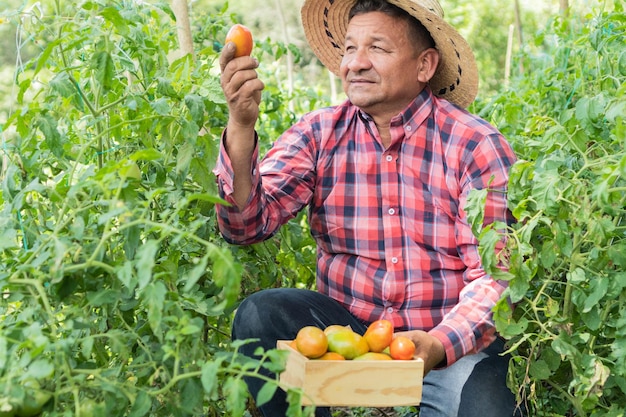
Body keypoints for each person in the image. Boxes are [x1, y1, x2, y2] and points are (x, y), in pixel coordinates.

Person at [215, 0, 522, 416]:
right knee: (259, 316)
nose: (355, 64)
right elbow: (245, 226)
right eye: (348, 49)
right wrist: (240, 126)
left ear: (425, 65)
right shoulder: (319, 133)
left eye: (377, 48)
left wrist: (438, 343)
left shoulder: (473, 144)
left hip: (448, 340)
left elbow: (498, 277)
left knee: (486, 406)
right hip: (351, 335)